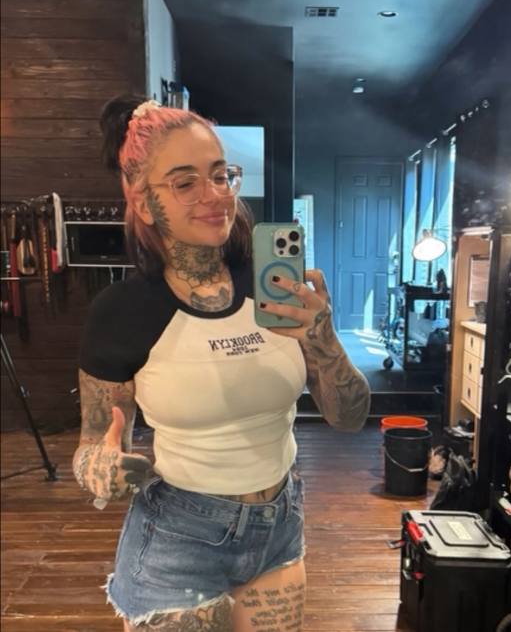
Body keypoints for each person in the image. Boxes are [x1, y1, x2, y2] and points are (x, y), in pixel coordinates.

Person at [72, 95, 371, 631]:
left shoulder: (275, 287)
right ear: (143, 202)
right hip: (179, 538)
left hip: (280, 527)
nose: (215, 195)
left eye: (220, 175)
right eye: (185, 183)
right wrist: (102, 470)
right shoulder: (120, 312)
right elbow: (93, 442)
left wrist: (323, 338)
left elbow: (350, 419)